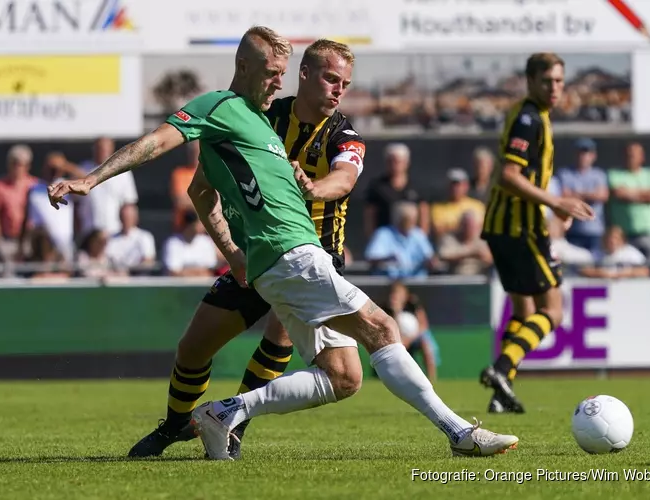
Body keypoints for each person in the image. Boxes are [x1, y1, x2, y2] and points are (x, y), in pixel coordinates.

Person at [49, 26, 518, 460]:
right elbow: (161, 143)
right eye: (274, 73)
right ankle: (459, 433)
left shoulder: (324, 130)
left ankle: (226, 415)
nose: (279, 83)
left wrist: (312, 191)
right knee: (381, 328)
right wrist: (92, 180)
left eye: (346, 84)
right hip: (288, 255)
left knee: (345, 376)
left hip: (304, 255)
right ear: (254, 69)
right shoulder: (225, 109)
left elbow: (344, 177)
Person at [479, 53, 595, 414]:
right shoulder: (529, 119)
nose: (555, 88)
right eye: (547, 81)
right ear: (530, 81)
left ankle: (502, 392)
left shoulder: (531, 114)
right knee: (554, 312)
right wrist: (556, 203)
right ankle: (500, 369)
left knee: (523, 309)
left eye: (559, 80)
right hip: (521, 227)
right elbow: (509, 175)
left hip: (502, 227)